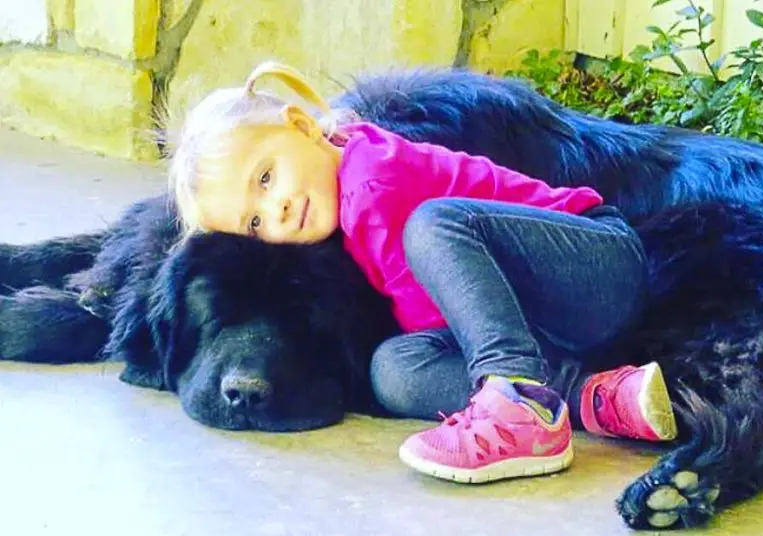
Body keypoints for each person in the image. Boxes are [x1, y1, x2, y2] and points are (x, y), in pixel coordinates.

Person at [166, 61, 678, 484]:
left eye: (266, 176)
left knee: (432, 227)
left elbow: (433, 310)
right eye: (253, 222)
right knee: (392, 369)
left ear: (303, 127)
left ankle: (514, 398)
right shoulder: (342, 196)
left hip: (595, 261)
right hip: (547, 317)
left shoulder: (370, 179)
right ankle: (590, 397)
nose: (275, 207)